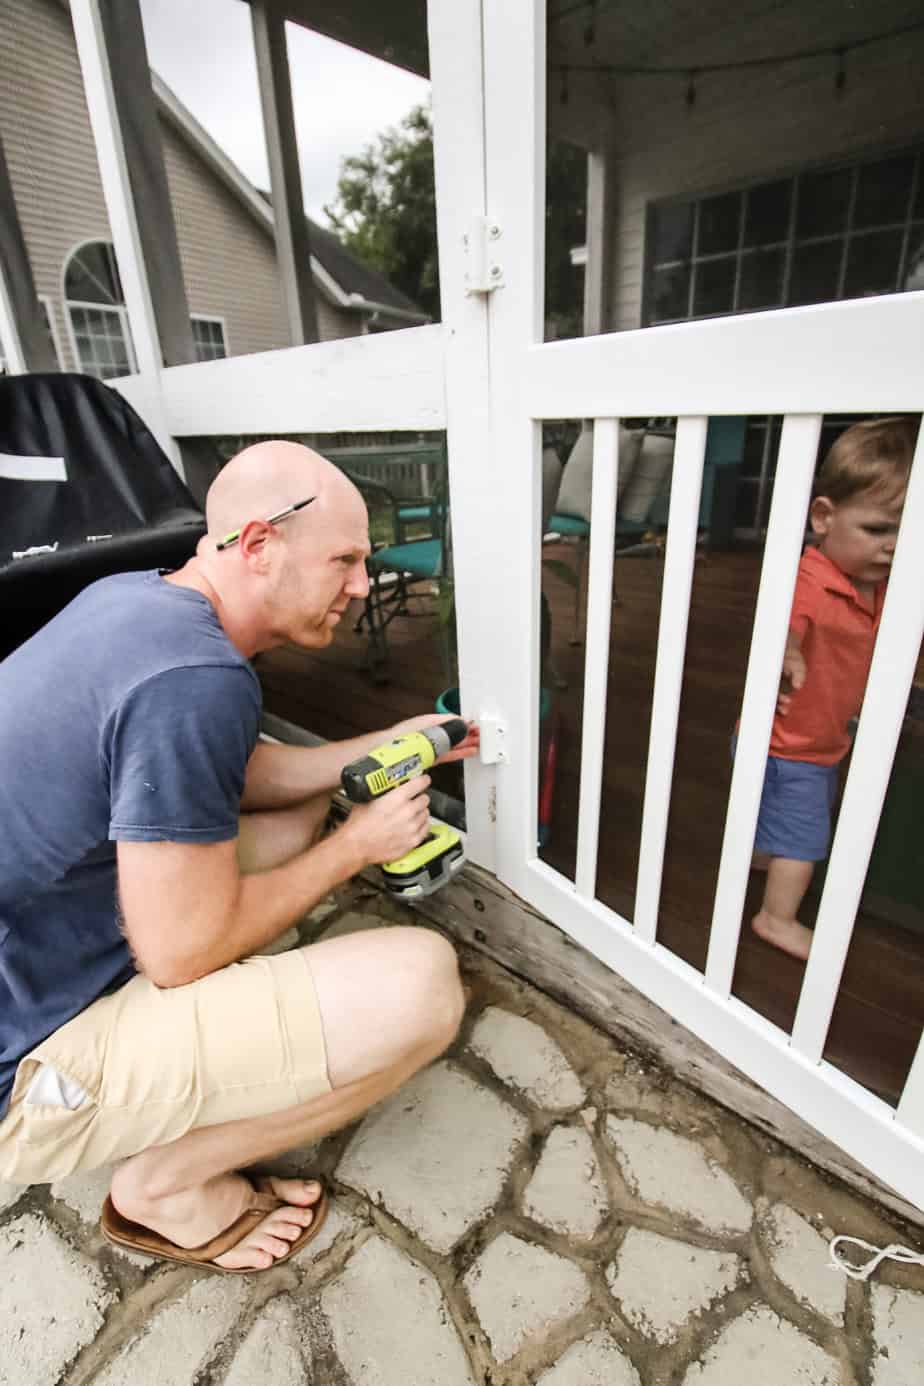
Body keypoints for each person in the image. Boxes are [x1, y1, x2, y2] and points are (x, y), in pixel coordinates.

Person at [0, 440, 478, 1272]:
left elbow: (247, 772)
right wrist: (355, 848)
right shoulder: (196, 676)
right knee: (424, 986)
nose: (364, 585)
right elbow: (180, 954)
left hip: (32, 938)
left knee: (290, 819)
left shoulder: (136, 602)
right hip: (19, 1068)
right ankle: (165, 1188)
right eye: (346, 560)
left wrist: (399, 743)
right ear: (259, 546)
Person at [749, 416, 916, 961]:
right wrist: (788, 649)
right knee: (804, 837)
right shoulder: (811, 578)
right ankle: (777, 918)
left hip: (810, 737)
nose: (894, 548)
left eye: (909, 534)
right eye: (878, 530)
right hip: (792, 744)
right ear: (824, 517)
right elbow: (788, 622)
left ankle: (756, 857)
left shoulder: (880, 586)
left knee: (768, 811)